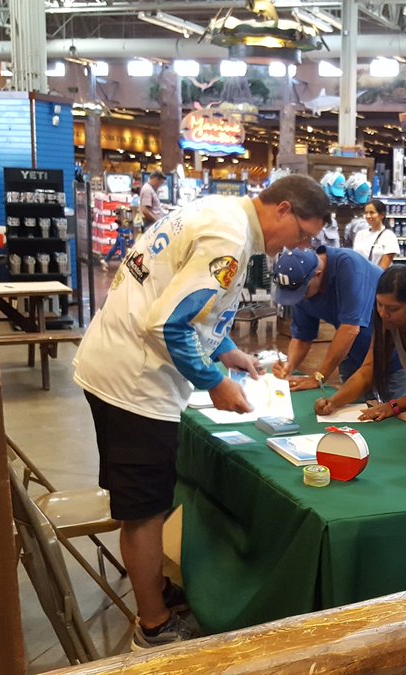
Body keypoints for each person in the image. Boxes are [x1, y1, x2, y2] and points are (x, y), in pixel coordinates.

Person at [73, 174, 330, 649]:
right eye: (304, 234)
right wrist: (214, 384)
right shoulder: (229, 237)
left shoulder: (222, 212)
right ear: (284, 209)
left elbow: (195, 307)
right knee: (144, 510)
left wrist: (226, 351)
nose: (301, 245)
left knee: (147, 500)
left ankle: (155, 590)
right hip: (134, 383)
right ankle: (153, 626)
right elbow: (171, 324)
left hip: (120, 366)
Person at [313, 265, 406, 420]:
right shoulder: (387, 321)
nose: (383, 313)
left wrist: (394, 406)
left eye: (393, 308)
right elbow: (367, 371)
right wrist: (334, 402)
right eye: (379, 304)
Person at [271, 247, 406, 399]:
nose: (299, 299)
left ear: (317, 274)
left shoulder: (349, 267)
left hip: (392, 353)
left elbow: (350, 329)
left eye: (302, 292)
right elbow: (302, 337)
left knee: (396, 413)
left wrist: (318, 377)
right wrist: (289, 366)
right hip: (353, 355)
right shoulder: (301, 286)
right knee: (356, 414)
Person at [351, 200, 400, 270]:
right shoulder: (360, 234)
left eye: (372, 213)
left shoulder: (389, 236)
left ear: (382, 215)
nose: (368, 216)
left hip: (378, 278)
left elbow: (383, 267)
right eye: (366, 213)